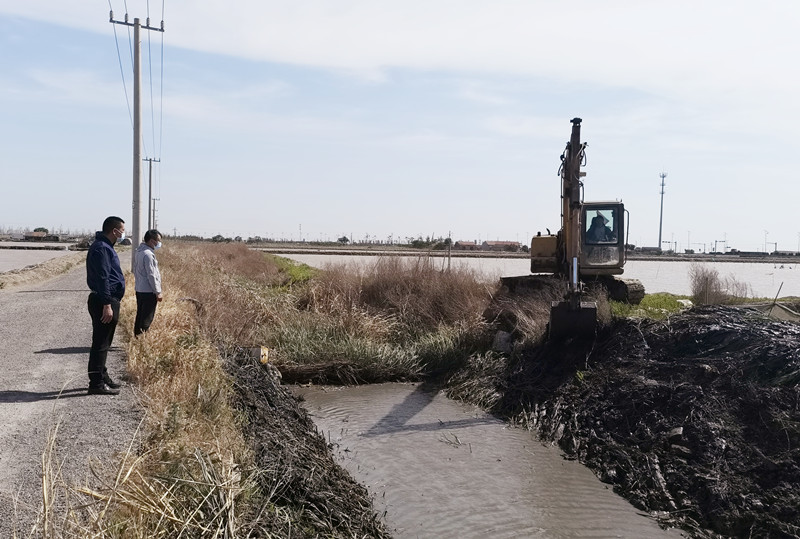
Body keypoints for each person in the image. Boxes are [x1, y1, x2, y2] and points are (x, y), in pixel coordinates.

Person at [86, 216, 126, 395]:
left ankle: (102, 375)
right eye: (122, 230)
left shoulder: (105, 246)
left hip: (107, 299)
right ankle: (96, 383)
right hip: (104, 301)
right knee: (100, 343)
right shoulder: (102, 248)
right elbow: (103, 278)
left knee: (104, 342)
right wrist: (107, 304)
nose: (123, 234)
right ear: (114, 231)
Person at [133, 229, 163, 336]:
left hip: (140, 289)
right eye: (158, 240)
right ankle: (142, 338)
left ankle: (137, 336)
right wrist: (157, 292)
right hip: (148, 291)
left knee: (140, 315)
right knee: (146, 317)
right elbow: (152, 275)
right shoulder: (148, 255)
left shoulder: (139, 252)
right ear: (151, 241)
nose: (159, 243)